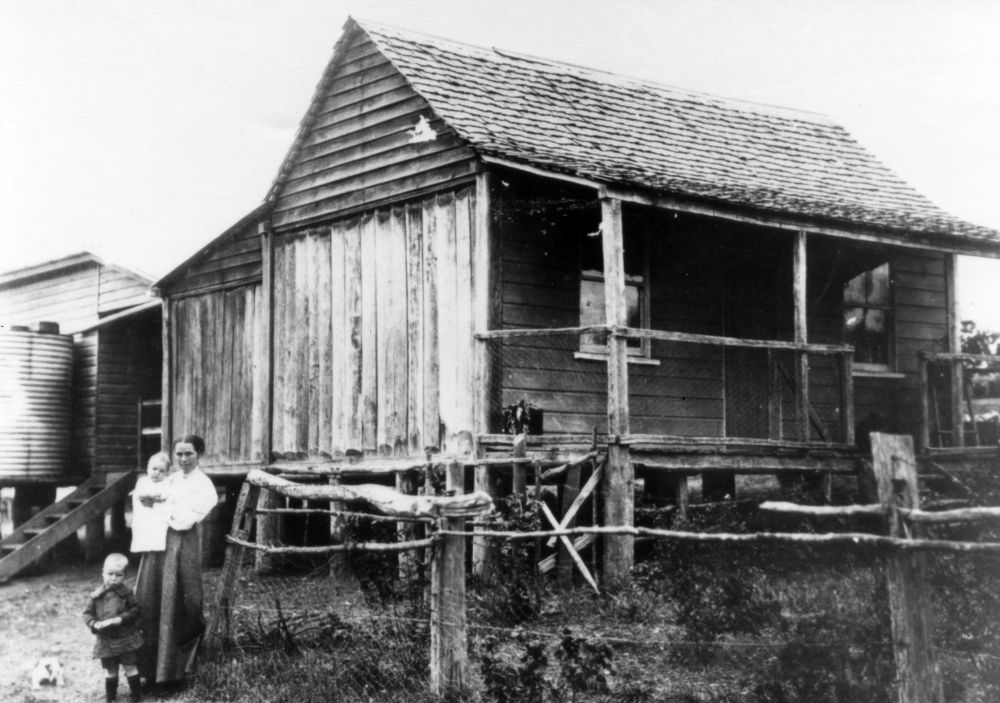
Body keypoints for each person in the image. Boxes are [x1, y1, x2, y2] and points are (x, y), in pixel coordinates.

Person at [135, 435, 218, 689]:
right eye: (179, 454)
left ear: (200, 454)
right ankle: (148, 671)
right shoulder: (169, 478)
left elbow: (182, 521)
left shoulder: (204, 486)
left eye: (188, 454)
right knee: (149, 598)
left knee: (181, 600)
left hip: (182, 544)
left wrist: (161, 508)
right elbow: (144, 500)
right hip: (156, 543)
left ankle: (174, 673)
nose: (182, 459)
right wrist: (153, 504)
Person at [83, 552, 143, 702]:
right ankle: (110, 698)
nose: (114, 579)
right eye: (110, 574)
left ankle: (136, 697)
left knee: (130, 667)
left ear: (125, 576)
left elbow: (136, 609)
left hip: (125, 638)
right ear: (103, 572)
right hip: (106, 640)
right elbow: (87, 614)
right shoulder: (96, 595)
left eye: (119, 575)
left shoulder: (127, 593)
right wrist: (94, 624)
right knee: (110, 670)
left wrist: (121, 619)